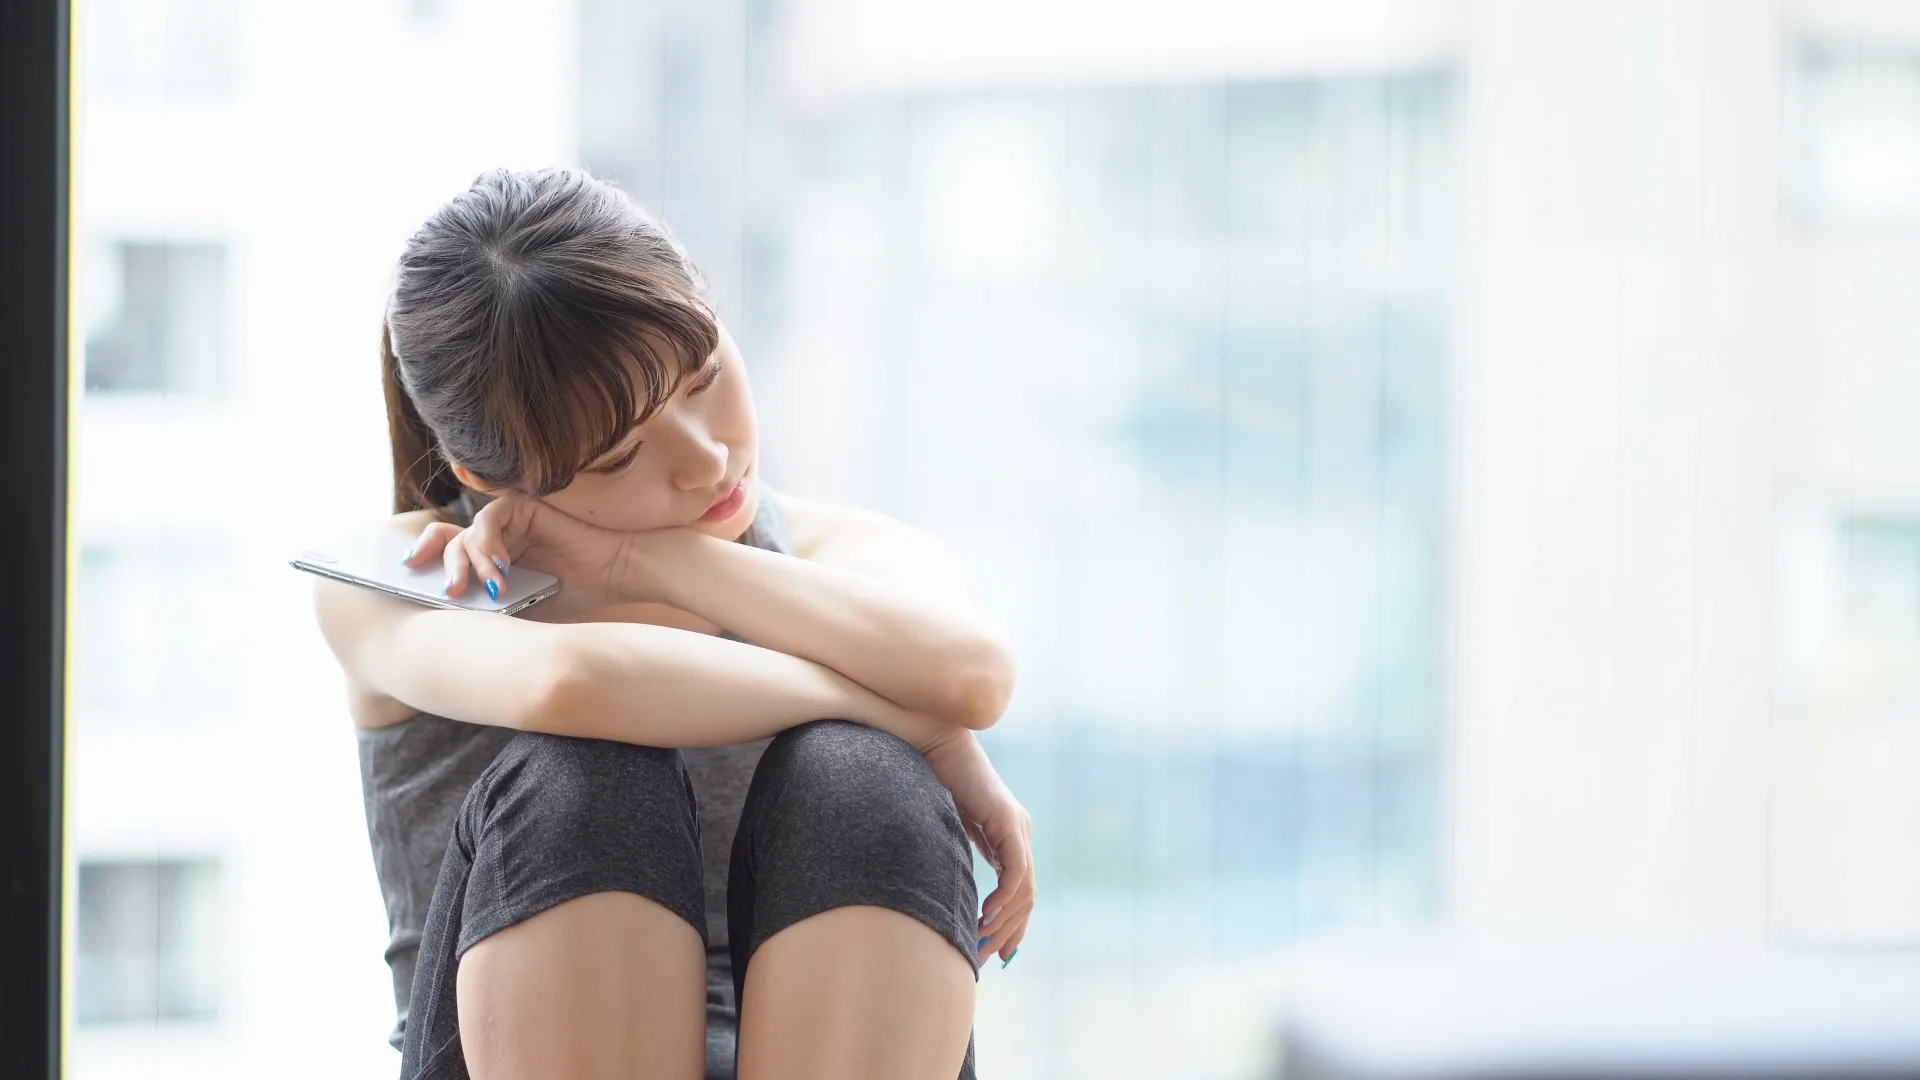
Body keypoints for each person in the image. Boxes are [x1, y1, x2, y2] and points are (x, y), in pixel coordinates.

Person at [311, 166, 1035, 1080]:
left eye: (703, 377)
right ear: (487, 472)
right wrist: (912, 715)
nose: (706, 461)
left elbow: (975, 675)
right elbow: (571, 685)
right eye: (618, 456)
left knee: (862, 779)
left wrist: (649, 558)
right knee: (584, 776)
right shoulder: (411, 573)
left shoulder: (838, 552)